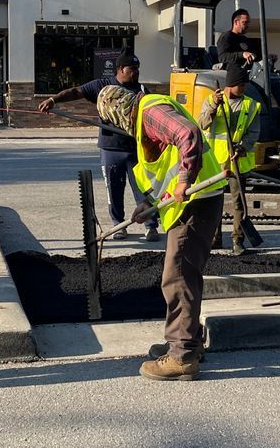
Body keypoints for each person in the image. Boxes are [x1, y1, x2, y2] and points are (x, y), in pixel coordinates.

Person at [96, 85, 227, 381]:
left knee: (177, 276)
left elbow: (188, 134)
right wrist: (148, 204)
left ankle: (181, 357)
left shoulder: (150, 111)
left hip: (197, 199)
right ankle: (186, 341)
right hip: (192, 201)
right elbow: (163, 169)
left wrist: (184, 179)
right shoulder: (145, 119)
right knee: (185, 274)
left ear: (116, 111)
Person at [37, 50, 159, 242]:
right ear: (120, 69)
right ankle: (119, 226)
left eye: (138, 69)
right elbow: (76, 91)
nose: (136, 72)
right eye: (132, 69)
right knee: (114, 190)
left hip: (136, 149)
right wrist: (53, 100)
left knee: (143, 189)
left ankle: (151, 226)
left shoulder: (142, 90)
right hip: (111, 149)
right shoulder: (103, 86)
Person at [197, 64, 261, 256]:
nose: (244, 88)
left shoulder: (250, 105)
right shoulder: (211, 100)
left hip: (237, 163)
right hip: (215, 162)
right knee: (213, 203)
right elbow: (202, 123)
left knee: (238, 204)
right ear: (230, 85)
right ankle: (214, 239)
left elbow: (254, 132)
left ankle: (237, 241)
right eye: (241, 85)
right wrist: (215, 107)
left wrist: (242, 148)